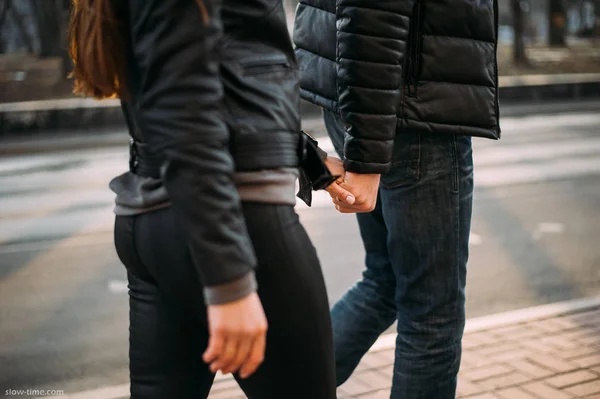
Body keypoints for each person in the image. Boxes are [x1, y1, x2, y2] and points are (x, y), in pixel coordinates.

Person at [68, 0, 340, 398]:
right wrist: (228, 278)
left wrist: (308, 160)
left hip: (158, 217)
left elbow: (213, 77)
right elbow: (181, 106)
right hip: (233, 221)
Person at [294, 0, 501, 397]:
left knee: (386, 280)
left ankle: (287, 387)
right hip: (410, 104)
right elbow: (372, 10)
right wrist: (369, 159)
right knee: (431, 313)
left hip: (365, 97)